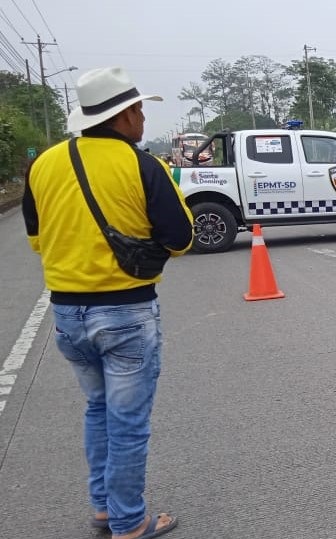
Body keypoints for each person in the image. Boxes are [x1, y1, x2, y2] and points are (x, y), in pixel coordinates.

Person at [22, 67, 192, 539]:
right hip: (125, 314)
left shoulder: (44, 165)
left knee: (98, 410)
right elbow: (180, 238)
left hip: (67, 316)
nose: (142, 119)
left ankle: (103, 507)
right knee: (128, 423)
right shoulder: (142, 166)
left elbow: (37, 240)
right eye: (138, 110)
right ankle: (129, 521)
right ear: (123, 116)